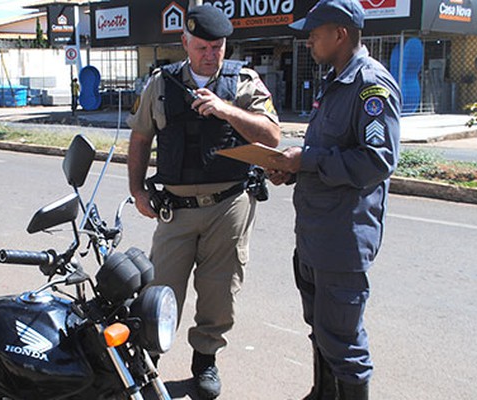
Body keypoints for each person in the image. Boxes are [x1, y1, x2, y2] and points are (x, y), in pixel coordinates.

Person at [127, 5, 281, 399]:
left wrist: (227, 110)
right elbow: (141, 138)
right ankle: (147, 365)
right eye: (202, 47)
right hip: (175, 208)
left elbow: (272, 135)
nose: (210, 55)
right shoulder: (161, 85)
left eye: (217, 47)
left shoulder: (243, 82)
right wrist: (137, 190)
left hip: (228, 206)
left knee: (219, 291)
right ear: (185, 43)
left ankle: (205, 362)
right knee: (160, 290)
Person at [266, 1, 401, 399]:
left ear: (340, 34)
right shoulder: (335, 80)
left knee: (343, 340)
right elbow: (328, 152)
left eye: (315, 32)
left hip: (342, 240)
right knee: (321, 328)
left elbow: (377, 160)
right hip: (314, 235)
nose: (308, 40)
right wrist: (292, 168)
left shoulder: (371, 85)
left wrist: (306, 160)